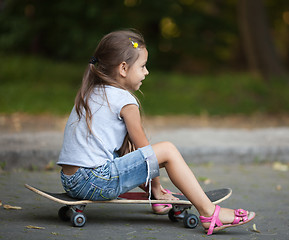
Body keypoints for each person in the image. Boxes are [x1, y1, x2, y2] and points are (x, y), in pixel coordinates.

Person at [57, 29, 255, 235]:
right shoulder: (124, 100)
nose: (146, 72)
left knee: (132, 153)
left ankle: (157, 197)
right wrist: (158, 189)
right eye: (142, 66)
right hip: (95, 181)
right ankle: (210, 212)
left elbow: (132, 156)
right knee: (167, 151)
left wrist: (153, 190)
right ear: (123, 68)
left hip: (71, 180)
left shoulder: (92, 90)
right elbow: (145, 152)